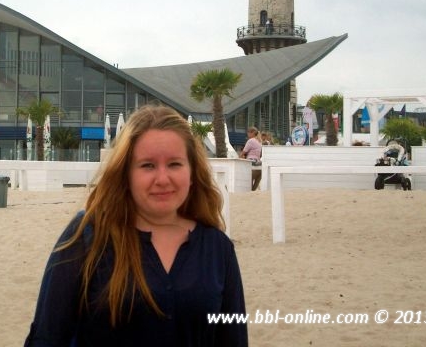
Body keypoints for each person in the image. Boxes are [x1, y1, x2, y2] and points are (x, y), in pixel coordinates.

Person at [25, 104, 248, 346]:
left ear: (192, 172)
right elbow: (47, 336)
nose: (162, 179)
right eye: (147, 165)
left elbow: (233, 337)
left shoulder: (218, 248)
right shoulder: (89, 236)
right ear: (126, 174)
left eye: (174, 164)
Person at [240, 127, 262, 191]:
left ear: (252, 133)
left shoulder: (251, 140)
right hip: (258, 164)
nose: (247, 134)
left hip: (251, 163)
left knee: (248, 181)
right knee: (255, 184)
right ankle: (252, 192)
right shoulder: (259, 141)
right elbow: (260, 154)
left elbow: (244, 151)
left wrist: (239, 157)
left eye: (248, 133)